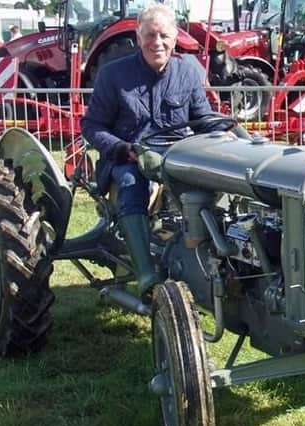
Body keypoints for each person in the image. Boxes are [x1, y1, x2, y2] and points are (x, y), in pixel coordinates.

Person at [80, 3, 228, 299]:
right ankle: (146, 272)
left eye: (163, 35)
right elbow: (92, 126)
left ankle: (218, 262)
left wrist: (224, 139)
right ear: (138, 37)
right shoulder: (113, 75)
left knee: (221, 183)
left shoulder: (188, 71)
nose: (156, 42)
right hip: (129, 159)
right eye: (150, 35)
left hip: (178, 155)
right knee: (132, 183)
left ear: (175, 38)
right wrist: (124, 150)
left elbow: (202, 119)